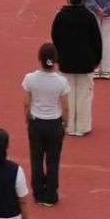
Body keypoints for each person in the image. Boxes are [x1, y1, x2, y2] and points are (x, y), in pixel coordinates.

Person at [51, 0, 103, 136]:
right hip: (86, 63)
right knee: (84, 96)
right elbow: (97, 41)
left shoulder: (60, 16)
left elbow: (55, 37)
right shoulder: (90, 17)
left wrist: (58, 57)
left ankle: (69, 126)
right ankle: (83, 126)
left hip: (66, 62)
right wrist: (97, 60)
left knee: (67, 94)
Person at [22, 43, 70, 207]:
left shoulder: (30, 78)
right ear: (55, 60)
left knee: (36, 159)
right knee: (53, 161)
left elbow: (26, 103)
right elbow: (65, 107)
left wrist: (27, 119)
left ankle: (38, 193)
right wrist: (65, 123)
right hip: (54, 124)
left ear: (40, 59)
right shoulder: (61, 81)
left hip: (36, 123)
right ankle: (51, 195)